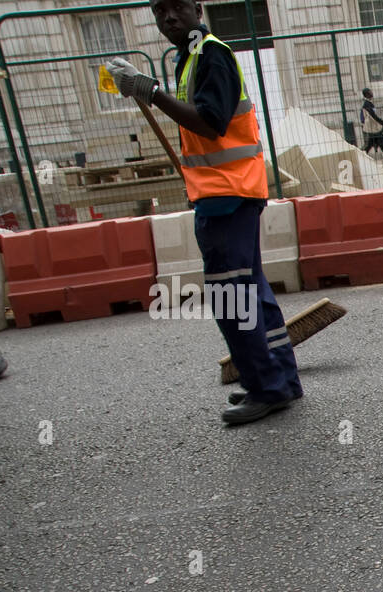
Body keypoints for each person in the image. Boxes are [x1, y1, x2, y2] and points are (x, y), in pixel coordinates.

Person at [107, 0, 301, 426]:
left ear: (197, 9)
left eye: (176, 8)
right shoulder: (192, 57)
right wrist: (150, 89)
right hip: (229, 193)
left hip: (226, 196)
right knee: (251, 291)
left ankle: (265, 388)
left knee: (232, 297)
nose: (168, 18)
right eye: (159, 12)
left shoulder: (210, 54)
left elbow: (210, 123)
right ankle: (279, 380)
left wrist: (149, 91)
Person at [359, 88, 383, 156]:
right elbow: (374, 117)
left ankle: (361, 155)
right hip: (373, 129)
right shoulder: (367, 104)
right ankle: (361, 155)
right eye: (370, 92)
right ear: (367, 94)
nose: (372, 93)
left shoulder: (369, 103)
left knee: (371, 145)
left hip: (373, 129)